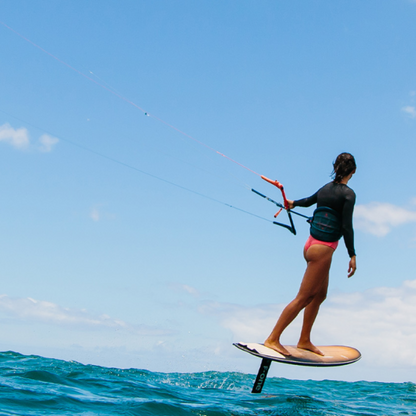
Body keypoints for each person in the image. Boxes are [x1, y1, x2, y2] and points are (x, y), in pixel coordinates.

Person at [264, 153, 357, 356]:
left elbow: (308, 201)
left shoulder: (326, 188)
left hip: (310, 245)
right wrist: (352, 254)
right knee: (304, 298)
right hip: (322, 250)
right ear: (353, 171)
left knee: (320, 294)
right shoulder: (348, 194)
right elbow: (346, 226)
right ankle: (273, 338)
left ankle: (304, 339)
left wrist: (292, 203)